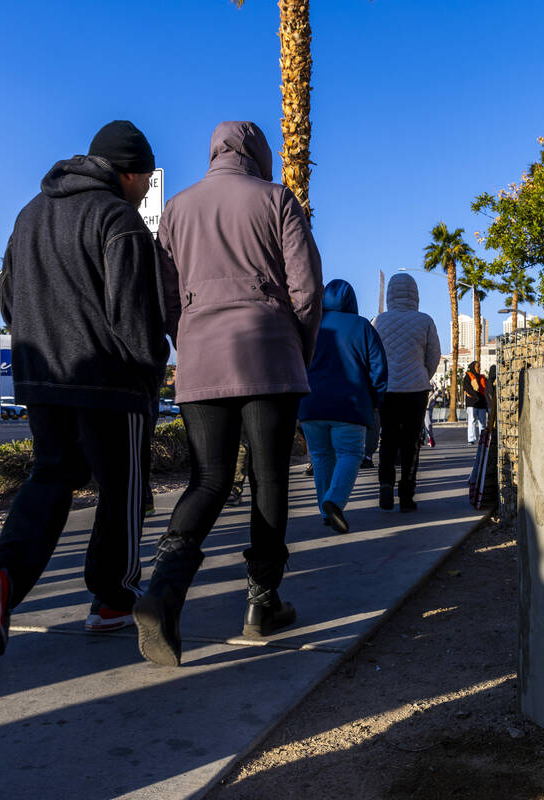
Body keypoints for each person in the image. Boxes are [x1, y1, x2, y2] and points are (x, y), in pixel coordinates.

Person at [0, 121, 173, 657]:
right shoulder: (118, 219)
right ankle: (113, 601)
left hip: (42, 377)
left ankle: (1, 574)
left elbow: (9, 296)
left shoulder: (29, 214)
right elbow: (134, 313)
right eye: (146, 178)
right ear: (128, 172)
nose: (148, 188)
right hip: (110, 380)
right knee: (122, 487)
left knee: (52, 475)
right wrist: (151, 370)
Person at [134, 120, 322, 667]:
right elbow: (306, 289)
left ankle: (164, 593)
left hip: (202, 357)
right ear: (259, 152)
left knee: (209, 478)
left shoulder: (178, 209)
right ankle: (262, 603)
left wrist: (189, 337)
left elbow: (166, 297)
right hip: (269, 354)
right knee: (269, 479)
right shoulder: (276, 198)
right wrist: (298, 348)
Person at [299, 279, 387, 533]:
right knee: (350, 454)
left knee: (320, 456)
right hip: (349, 405)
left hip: (311, 404)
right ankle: (334, 502)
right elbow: (378, 369)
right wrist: (376, 400)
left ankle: (325, 511)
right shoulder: (362, 327)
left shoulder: (311, 327)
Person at [372, 272, 440, 512]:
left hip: (388, 390)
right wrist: (422, 375)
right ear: (415, 294)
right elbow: (434, 356)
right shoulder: (425, 321)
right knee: (411, 443)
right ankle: (407, 495)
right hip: (416, 390)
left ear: (390, 293)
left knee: (388, 438)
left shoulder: (378, 320)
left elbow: (374, 357)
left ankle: (385, 483)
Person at [462, 360, 489, 444]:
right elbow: (467, 388)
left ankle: (482, 438)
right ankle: (471, 439)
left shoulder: (482, 377)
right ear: (473, 367)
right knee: (472, 420)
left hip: (482, 403)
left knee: (482, 421)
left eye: (480, 366)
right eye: (478, 367)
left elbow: (487, 389)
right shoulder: (468, 377)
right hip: (472, 403)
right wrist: (476, 396)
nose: (479, 368)